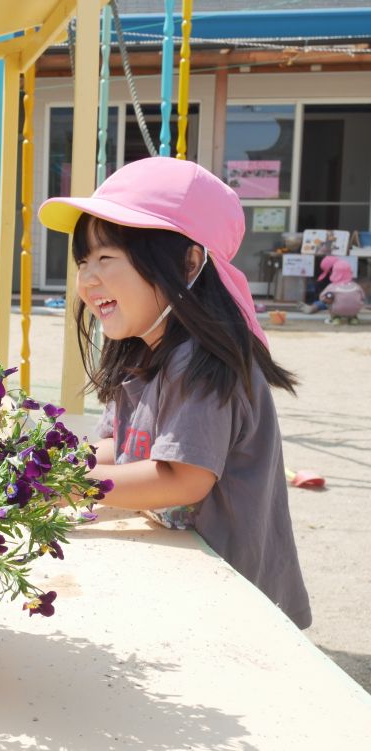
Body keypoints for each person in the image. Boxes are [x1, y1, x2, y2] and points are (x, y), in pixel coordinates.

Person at [39, 156, 311, 629]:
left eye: (106, 258)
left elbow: (182, 478)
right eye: (83, 261)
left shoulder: (203, 359)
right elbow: (118, 447)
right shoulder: (142, 354)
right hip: (192, 575)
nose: (88, 279)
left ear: (188, 264)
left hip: (236, 598)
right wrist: (51, 462)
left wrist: (62, 489)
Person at [319, 259, 364, 325]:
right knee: (355, 301)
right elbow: (363, 297)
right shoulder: (356, 285)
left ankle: (335, 318)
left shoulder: (332, 286)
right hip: (355, 310)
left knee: (328, 298)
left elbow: (322, 298)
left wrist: (327, 300)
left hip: (338, 310)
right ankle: (353, 319)